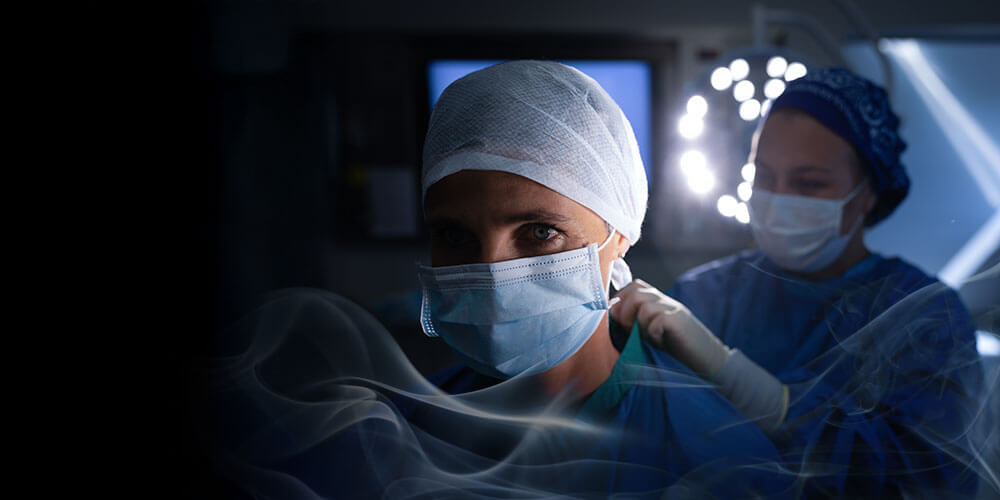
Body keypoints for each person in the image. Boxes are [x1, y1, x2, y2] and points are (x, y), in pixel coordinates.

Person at [612, 67, 988, 497]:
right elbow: (637, 446)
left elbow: (931, 480)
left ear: (868, 193)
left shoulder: (924, 315)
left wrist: (734, 376)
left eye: (809, 183)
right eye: (764, 178)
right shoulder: (702, 295)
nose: (779, 198)